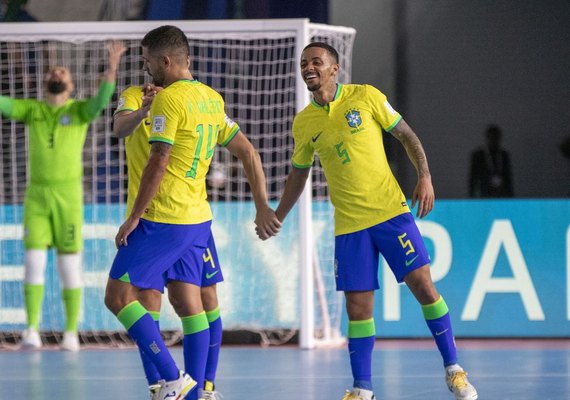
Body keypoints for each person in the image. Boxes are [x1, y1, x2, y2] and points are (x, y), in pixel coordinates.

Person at [260, 42, 478, 400]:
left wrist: (424, 175)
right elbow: (298, 175)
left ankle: (454, 369)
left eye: (316, 61)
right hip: (349, 226)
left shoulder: (366, 97)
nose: (308, 67)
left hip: (391, 213)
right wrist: (278, 216)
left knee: (424, 287)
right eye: (303, 63)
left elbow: (406, 134)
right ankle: (363, 390)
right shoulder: (304, 123)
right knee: (357, 309)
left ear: (334, 68)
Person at [104, 25, 278, 400]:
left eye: (149, 60)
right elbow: (248, 151)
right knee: (186, 302)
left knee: (119, 297)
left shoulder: (173, 100)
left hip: (162, 216)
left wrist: (135, 215)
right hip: (196, 219)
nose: (145, 66)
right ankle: (191, 390)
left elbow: (159, 160)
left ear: (165, 60)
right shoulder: (209, 99)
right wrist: (262, 204)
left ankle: (176, 380)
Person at [0, 40, 126, 352]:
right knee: (33, 262)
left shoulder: (79, 111)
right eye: (53, 70)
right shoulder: (33, 110)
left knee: (69, 265)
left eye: (63, 71)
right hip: (37, 197)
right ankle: (31, 330)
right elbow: (4, 104)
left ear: (69, 84)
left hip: (69, 198)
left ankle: (71, 333)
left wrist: (112, 67)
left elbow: (101, 100)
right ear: (46, 82)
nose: (57, 73)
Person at [469, 124, 514, 198]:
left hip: (502, 195)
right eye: (491, 137)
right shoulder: (478, 156)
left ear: (499, 138)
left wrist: (511, 198)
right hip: (485, 194)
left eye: (495, 137)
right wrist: (472, 197)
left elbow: (508, 178)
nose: (493, 140)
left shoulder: (504, 155)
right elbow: (473, 178)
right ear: (487, 138)